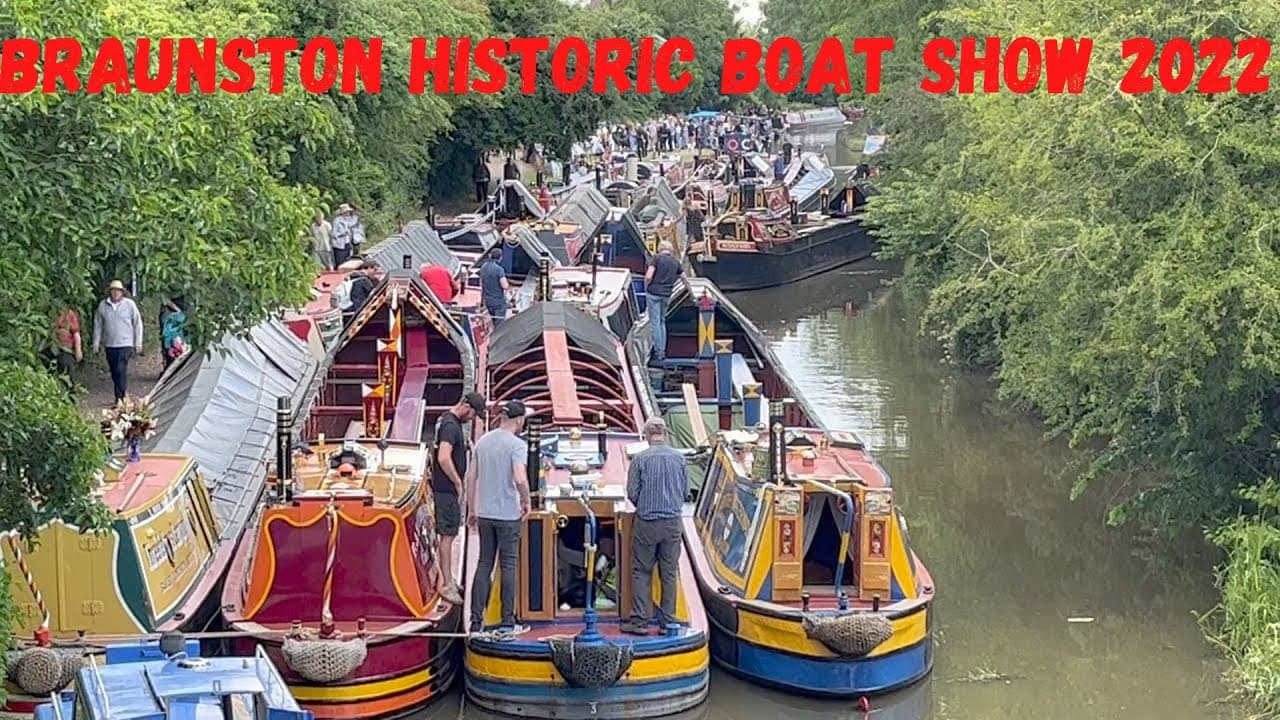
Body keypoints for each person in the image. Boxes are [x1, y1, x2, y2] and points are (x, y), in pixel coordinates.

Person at [466, 399, 533, 634]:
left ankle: (476, 620)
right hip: (508, 514)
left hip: (484, 512)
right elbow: (519, 478)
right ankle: (507, 621)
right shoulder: (517, 445)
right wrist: (526, 499)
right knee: (508, 565)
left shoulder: (482, 442)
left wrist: (472, 509)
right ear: (518, 420)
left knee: (484, 564)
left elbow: (471, 477)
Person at [622, 417, 689, 635]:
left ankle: (640, 621)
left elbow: (632, 492)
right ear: (665, 434)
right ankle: (668, 621)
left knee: (642, 570)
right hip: (672, 523)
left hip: (647, 523)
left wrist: (644, 505)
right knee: (668, 573)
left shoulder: (640, 460)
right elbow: (685, 490)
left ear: (646, 435)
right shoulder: (679, 459)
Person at [433, 391, 487, 605]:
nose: (472, 419)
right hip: (446, 491)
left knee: (448, 535)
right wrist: (458, 483)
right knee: (447, 536)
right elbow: (443, 457)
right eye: (473, 414)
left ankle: (449, 579)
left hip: (444, 490)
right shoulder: (450, 426)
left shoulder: (444, 420)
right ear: (466, 406)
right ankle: (447, 584)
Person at [92, 280, 143, 404]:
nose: (115, 293)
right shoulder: (103, 306)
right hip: (110, 344)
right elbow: (98, 325)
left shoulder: (129, 305)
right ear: (110, 292)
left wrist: (138, 342)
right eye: (113, 290)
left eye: (118, 291)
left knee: (121, 369)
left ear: (122, 292)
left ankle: (121, 397)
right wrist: (96, 342)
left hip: (125, 343)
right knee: (114, 370)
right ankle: (120, 394)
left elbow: (137, 323)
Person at [644, 241, 683, 364]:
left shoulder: (656, 258)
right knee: (661, 322)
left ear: (660, 248)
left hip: (653, 293)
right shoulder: (675, 262)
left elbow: (649, 276)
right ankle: (662, 350)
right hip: (666, 295)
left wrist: (646, 286)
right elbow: (684, 278)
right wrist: (692, 293)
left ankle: (658, 352)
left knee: (655, 322)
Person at [479, 247, 510, 326]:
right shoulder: (499, 270)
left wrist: (482, 302)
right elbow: (505, 286)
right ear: (500, 258)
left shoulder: (483, 267)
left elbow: (482, 284)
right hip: (498, 302)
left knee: (493, 321)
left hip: (488, 301)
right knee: (500, 325)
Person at [51, 307, 82, 378]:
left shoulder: (68, 314)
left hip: (65, 348)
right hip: (51, 345)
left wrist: (78, 350)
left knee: (65, 366)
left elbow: (76, 333)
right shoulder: (49, 312)